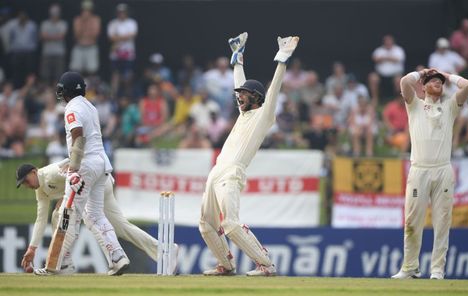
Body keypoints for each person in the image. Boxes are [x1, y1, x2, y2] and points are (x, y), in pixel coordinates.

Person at [198, 32, 299, 276]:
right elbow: (239, 85)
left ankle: (266, 264)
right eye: (239, 93)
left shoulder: (263, 116)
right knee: (206, 225)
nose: (239, 96)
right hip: (216, 173)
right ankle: (226, 264)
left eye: (244, 93)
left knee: (230, 224)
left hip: (232, 173)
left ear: (256, 98)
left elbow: (274, 90)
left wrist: (282, 59)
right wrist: (237, 59)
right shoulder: (244, 114)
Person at [39, 71, 130, 276]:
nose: (60, 94)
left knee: (68, 215)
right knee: (96, 215)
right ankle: (117, 257)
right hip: (101, 163)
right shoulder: (90, 106)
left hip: (85, 165)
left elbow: (78, 138)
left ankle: (54, 265)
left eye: (62, 90)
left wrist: (73, 167)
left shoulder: (72, 108)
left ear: (68, 91)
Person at [392, 68, 468, 280]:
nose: (437, 83)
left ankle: (437, 270)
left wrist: (447, 76)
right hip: (419, 170)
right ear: (424, 86)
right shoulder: (415, 105)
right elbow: (404, 83)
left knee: (442, 221)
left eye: (440, 82)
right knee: (412, 221)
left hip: (443, 170)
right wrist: (421, 72)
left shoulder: (450, 107)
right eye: (432, 80)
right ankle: (410, 267)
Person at [16, 159, 164, 274]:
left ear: (34, 172)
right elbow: (40, 220)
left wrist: (66, 197)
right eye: (23, 184)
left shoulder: (50, 173)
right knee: (121, 227)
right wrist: (32, 249)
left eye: (26, 180)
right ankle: (161, 250)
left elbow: (76, 169)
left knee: (81, 217)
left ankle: (66, 262)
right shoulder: (40, 191)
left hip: (94, 183)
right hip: (102, 183)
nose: (27, 185)